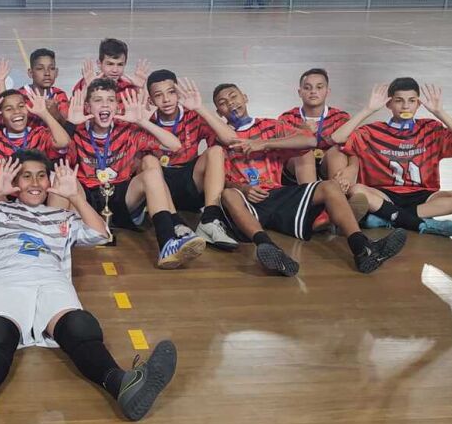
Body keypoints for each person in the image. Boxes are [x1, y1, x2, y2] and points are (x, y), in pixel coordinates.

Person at [0, 154, 177, 424]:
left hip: (51, 279)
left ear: (49, 181)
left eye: (41, 175)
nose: (35, 182)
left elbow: (101, 234)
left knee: (80, 325)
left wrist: (76, 197)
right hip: (8, 278)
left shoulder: (63, 216)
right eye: (26, 176)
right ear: (15, 182)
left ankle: (122, 385)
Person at [210, 83, 406, 276]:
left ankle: (362, 247)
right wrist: (243, 188)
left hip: (278, 193)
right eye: (223, 102)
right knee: (228, 194)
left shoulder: (270, 126)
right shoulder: (220, 138)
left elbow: (309, 140)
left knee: (329, 186)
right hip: (248, 199)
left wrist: (263, 144)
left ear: (245, 97)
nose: (231, 103)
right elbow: (217, 181)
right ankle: (268, 248)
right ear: (219, 112)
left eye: (233, 96)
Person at [66, 78, 207, 268]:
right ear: (87, 107)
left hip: (122, 197)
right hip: (87, 200)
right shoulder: (78, 132)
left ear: (117, 106)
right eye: (98, 100)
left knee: (152, 172)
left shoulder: (129, 131)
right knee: (65, 178)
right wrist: (70, 124)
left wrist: (142, 121)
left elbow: (174, 145)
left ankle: (167, 242)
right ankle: (56, 247)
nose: (105, 104)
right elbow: (55, 159)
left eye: (110, 100)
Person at [342, 79, 452, 237]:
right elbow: (338, 138)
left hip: (424, 195)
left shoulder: (431, 129)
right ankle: (421, 223)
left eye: (412, 101)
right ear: (389, 104)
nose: (406, 106)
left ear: (418, 103)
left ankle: (384, 218)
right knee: (356, 190)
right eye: (399, 101)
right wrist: (368, 109)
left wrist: (439, 112)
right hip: (385, 195)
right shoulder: (372, 132)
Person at [148, 72, 239, 251]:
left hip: (191, 179)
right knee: (148, 160)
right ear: (151, 100)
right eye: (158, 95)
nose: (166, 99)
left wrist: (200, 108)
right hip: (160, 184)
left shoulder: (192, 115)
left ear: (178, 94)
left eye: (171, 92)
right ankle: (175, 222)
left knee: (216, 151)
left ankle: (209, 220)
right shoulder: (146, 120)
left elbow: (232, 139)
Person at [0, 89, 70, 178]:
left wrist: (44, 113)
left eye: (21, 106)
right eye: (9, 109)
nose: (17, 111)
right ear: (0, 117)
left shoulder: (39, 134)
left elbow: (64, 142)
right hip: (6, 199)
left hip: (37, 195)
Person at [278, 69, 352, 185]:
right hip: (296, 169)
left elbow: (354, 149)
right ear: (299, 92)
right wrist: (302, 134)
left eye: (319, 87)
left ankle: (338, 194)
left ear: (327, 91)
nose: (313, 91)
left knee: (337, 152)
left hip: (327, 165)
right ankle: (311, 197)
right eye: (307, 88)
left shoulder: (340, 117)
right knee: (304, 152)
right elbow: (279, 153)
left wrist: (352, 169)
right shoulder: (287, 118)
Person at [71, 38, 148, 102]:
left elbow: (150, 116)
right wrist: (88, 88)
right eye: (110, 64)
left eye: (120, 64)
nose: (115, 70)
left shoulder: (130, 87)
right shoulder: (87, 83)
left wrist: (141, 89)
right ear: (99, 64)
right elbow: (70, 115)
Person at [17, 48, 69, 124]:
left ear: (56, 72)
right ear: (30, 73)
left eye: (51, 68)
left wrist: (56, 114)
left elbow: (68, 130)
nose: (47, 73)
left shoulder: (59, 95)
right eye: (40, 68)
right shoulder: (19, 96)